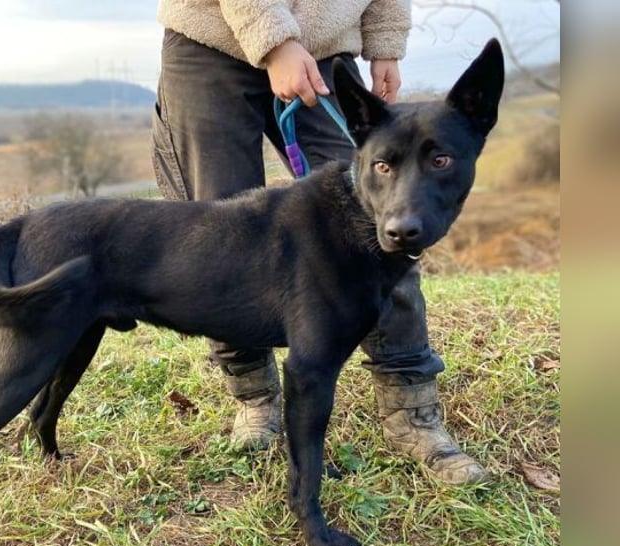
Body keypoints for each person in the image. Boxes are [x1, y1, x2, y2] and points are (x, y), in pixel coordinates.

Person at [151, 0, 487, 485]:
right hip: (210, 38)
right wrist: (275, 40)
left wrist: (385, 44)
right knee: (219, 240)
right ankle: (256, 398)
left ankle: (410, 411)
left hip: (325, 48)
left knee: (385, 223)